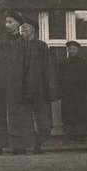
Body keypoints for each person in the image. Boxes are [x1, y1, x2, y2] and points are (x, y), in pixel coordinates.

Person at [0, 10, 35, 155]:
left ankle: (19, 147)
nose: (7, 25)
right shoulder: (0, 42)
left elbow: (29, 68)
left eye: (11, 22)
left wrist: (28, 90)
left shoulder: (25, 44)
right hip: (0, 88)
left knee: (19, 117)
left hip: (18, 88)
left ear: (18, 24)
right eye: (6, 22)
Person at [20, 17, 54, 154]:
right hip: (21, 88)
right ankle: (21, 146)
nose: (22, 31)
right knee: (23, 117)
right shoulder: (18, 46)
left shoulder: (41, 46)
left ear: (32, 30)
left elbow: (48, 69)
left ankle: (38, 146)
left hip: (38, 88)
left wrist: (48, 89)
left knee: (40, 118)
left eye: (25, 28)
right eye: (21, 29)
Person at [58, 41, 87, 140]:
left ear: (78, 50)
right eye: (70, 49)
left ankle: (81, 134)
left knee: (81, 114)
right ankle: (70, 134)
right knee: (69, 114)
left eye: (74, 49)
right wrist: (61, 93)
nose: (72, 51)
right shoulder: (63, 64)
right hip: (67, 94)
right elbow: (59, 79)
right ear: (67, 50)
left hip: (81, 94)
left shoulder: (85, 63)